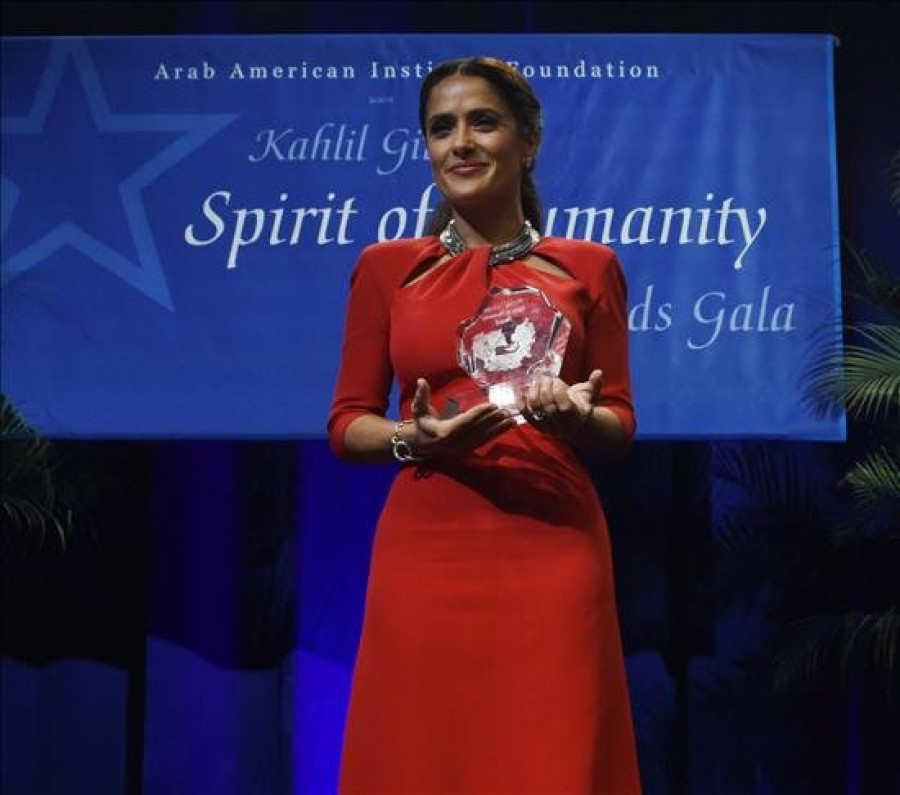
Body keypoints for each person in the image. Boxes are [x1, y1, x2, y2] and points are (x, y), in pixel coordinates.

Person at [328, 56, 641, 794]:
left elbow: (620, 419)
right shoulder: (385, 270)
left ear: (527, 142)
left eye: (483, 122)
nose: (460, 142)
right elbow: (348, 424)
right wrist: (414, 438)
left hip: (551, 545)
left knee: (548, 755)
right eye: (442, 128)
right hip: (426, 546)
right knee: (422, 754)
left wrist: (576, 415)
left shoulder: (589, 268)